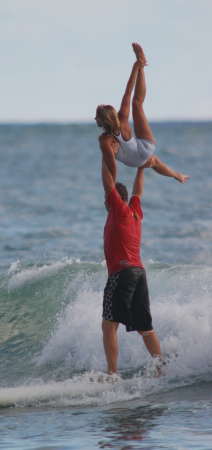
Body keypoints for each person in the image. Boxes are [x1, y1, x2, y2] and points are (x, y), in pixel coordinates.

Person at [99, 134, 162, 375]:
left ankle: (112, 377)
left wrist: (107, 154)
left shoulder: (118, 209)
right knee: (145, 327)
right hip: (139, 272)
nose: (106, 200)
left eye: (108, 198)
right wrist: (141, 169)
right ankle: (161, 370)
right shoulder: (135, 212)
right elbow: (138, 193)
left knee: (108, 326)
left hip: (122, 272)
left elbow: (107, 181)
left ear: (114, 199)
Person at [95, 43, 189, 184]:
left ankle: (178, 176)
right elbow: (128, 91)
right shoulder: (122, 120)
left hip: (135, 162)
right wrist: (135, 68)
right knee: (137, 104)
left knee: (154, 161)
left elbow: (112, 167)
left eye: (97, 116)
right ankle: (141, 64)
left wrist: (111, 191)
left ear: (103, 121)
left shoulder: (105, 140)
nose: (94, 118)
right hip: (144, 149)